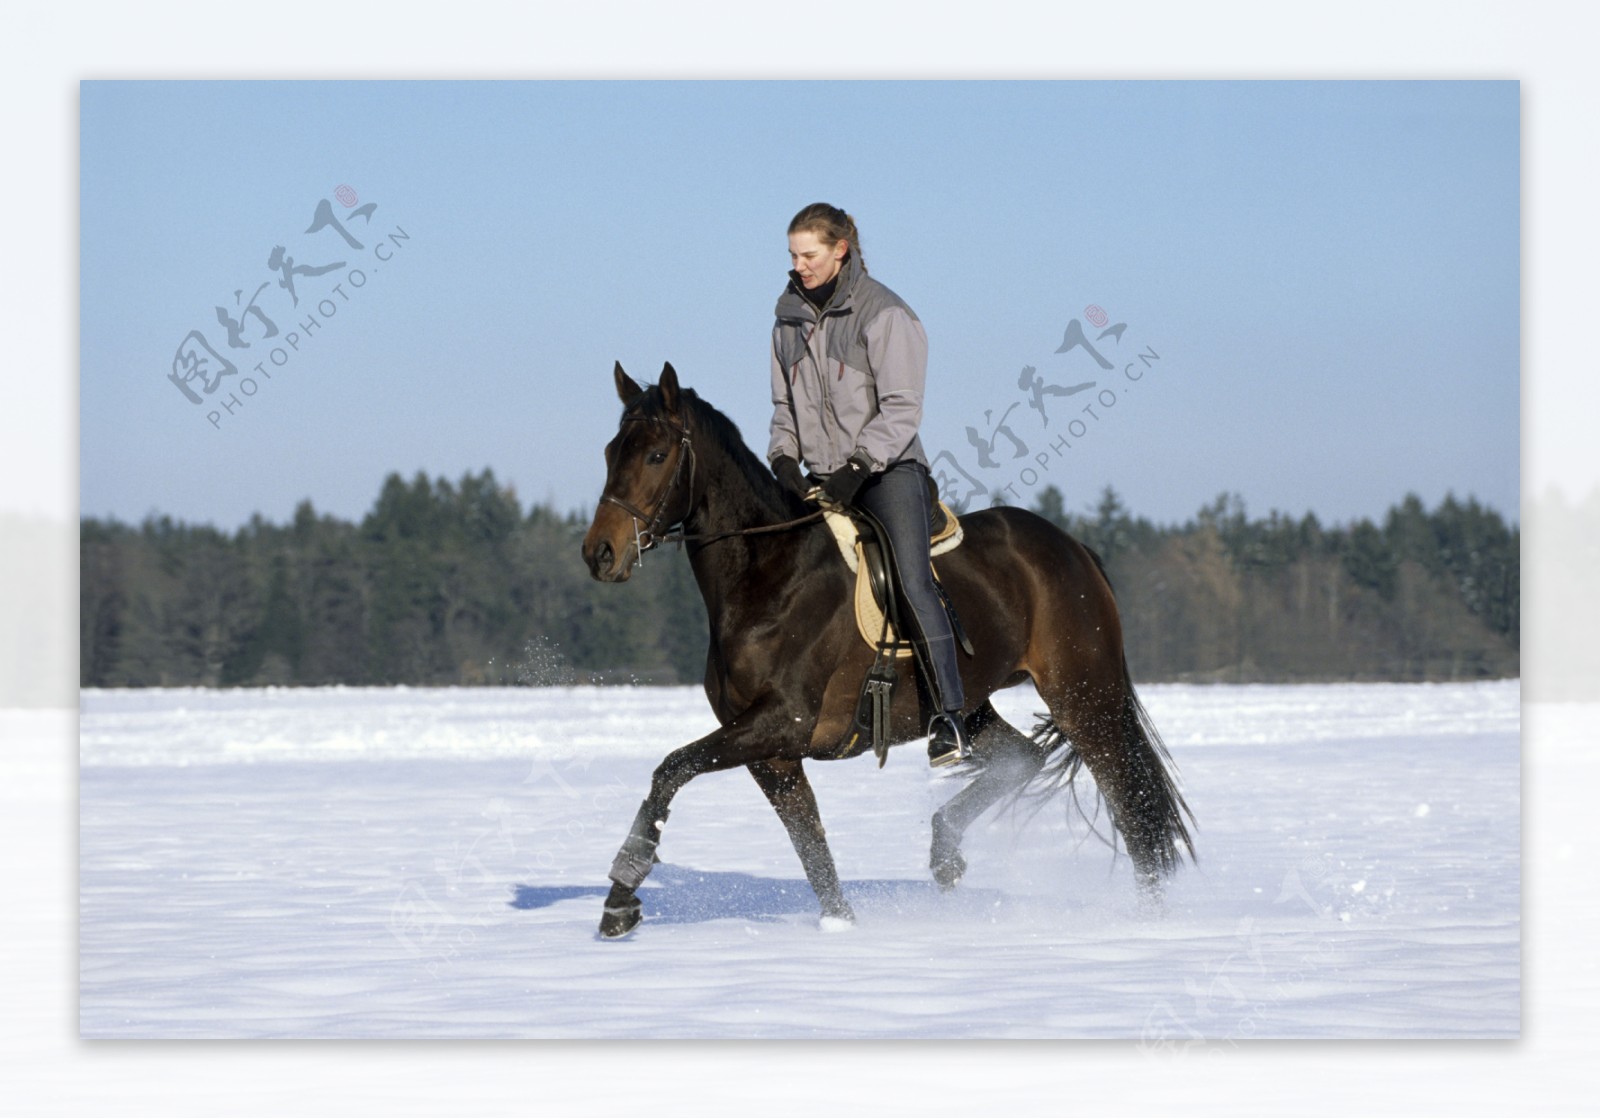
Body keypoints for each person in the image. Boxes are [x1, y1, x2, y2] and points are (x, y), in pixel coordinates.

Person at [766, 202, 970, 767]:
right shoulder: (787, 318)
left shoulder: (886, 314)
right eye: (792, 255)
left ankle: (949, 717)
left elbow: (903, 409)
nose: (798, 265)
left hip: (887, 471)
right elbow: (783, 406)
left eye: (808, 254)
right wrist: (783, 458)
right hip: (819, 476)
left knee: (910, 580)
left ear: (840, 250)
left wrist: (859, 467)